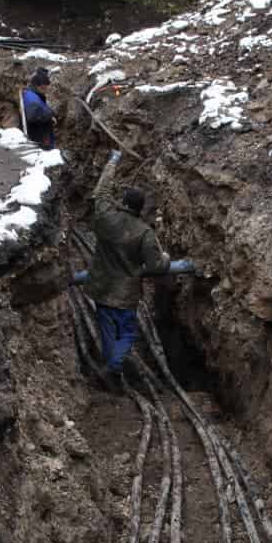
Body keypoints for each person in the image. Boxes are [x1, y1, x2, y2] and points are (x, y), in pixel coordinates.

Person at [82, 151, 170, 392]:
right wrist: (166, 259)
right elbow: (155, 267)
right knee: (128, 332)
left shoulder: (106, 217)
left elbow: (101, 192)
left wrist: (111, 162)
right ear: (141, 208)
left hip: (100, 286)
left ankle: (112, 367)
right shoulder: (144, 233)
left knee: (107, 330)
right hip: (125, 293)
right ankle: (114, 366)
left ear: (123, 202)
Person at [21, 67, 56, 150]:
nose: (46, 90)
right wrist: (49, 114)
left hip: (40, 134)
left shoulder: (32, 94)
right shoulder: (33, 100)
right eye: (44, 88)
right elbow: (33, 116)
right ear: (38, 86)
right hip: (40, 136)